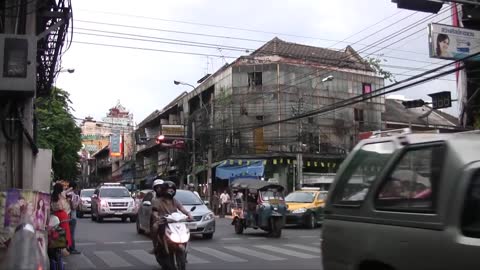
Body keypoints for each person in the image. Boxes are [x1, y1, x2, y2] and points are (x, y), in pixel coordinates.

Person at [149, 179, 193, 254]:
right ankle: (155, 246)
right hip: (163, 221)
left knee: (186, 230)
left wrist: (189, 214)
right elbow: (154, 211)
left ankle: (184, 249)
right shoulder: (157, 200)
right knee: (155, 227)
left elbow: (181, 208)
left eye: (172, 190)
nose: (170, 192)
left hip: (175, 221)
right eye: (169, 190)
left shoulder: (174, 200)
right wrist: (157, 217)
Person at [51, 183, 72, 256]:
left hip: (55, 214)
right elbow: (62, 206)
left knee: (56, 231)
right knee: (64, 231)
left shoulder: (52, 196)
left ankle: (57, 247)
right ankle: (64, 248)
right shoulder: (61, 196)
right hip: (62, 214)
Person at [67, 182, 81, 254]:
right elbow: (73, 207)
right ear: (74, 188)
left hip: (67, 216)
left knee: (68, 232)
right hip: (72, 216)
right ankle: (72, 248)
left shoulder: (66, 194)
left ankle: (68, 247)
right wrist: (77, 203)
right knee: (72, 233)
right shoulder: (73, 195)